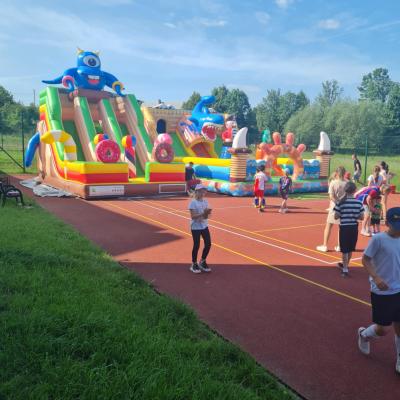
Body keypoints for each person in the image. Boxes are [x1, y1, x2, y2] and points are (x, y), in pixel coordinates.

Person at [357, 207, 400, 375]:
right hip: (382, 291)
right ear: (387, 223)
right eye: (396, 225)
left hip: (399, 289)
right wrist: (376, 278)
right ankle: (364, 334)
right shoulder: (379, 239)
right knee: (383, 329)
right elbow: (365, 259)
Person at [333, 182, 364, 277]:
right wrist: (354, 214)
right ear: (355, 190)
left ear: (345, 190)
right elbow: (362, 217)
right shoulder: (359, 203)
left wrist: (342, 213)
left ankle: (345, 269)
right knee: (350, 248)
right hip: (354, 227)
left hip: (344, 227)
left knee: (344, 249)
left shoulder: (340, 202)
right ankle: (346, 265)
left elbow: (336, 216)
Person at [316, 166, 347, 252]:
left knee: (328, 226)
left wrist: (337, 202)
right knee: (341, 227)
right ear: (344, 173)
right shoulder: (347, 183)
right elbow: (348, 195)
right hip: (344, 207)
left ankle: (325, 245)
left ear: (336, 173)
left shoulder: (333, 183)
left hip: (334, 207)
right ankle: (340, 246)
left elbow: (331, 196)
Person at [189, 184, 212, 274]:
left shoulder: (205, 201)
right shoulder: (193, 202)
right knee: (197, 245)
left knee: (208, 244)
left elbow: (206, 216)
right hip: (195, 227)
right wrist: (203, 213)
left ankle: (202, 261)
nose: (203, 193)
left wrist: (207, 213)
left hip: (204, 226)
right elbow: (193, 216)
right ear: (197, 192)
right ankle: (194, 264)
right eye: (201, 191)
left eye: (204, 191)